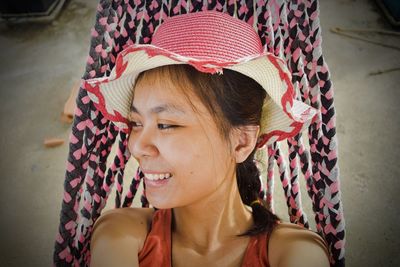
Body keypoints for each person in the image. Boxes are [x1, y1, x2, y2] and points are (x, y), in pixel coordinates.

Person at [85, 11, 330, 267]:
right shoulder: (122, 235)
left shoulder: (296, 253)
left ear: (241, 142)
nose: (136, 146)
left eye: (166, 124)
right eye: (136, 123)